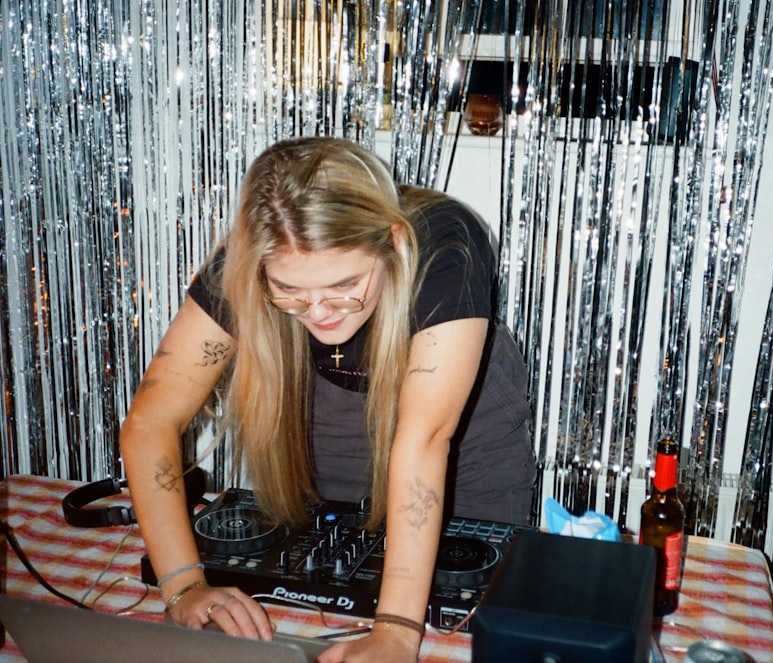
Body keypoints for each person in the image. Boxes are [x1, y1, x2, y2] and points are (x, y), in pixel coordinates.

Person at [120, 137, 536, 662]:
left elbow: (425, 438)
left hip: (463, 430)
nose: (319, 315)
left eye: (345, 285)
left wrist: (398, 631)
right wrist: (180, 585)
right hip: (334, 404)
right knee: (332, 586)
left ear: (392, 240)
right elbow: (151, 420)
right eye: (289, 291)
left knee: (468, 613)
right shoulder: (247, 261)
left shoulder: (446, 243)